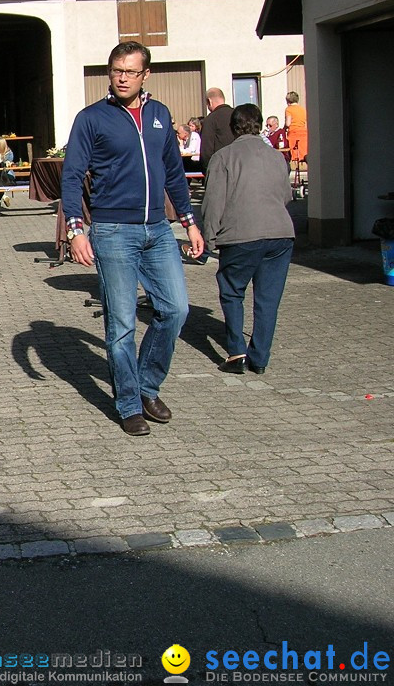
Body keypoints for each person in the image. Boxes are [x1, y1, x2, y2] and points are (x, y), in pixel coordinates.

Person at [61, 41, 204, 437]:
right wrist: (76, 229)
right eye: (116, 70)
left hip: (158, 230)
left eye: (131, 71)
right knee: (121, 324)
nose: (122, 77)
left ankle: (146, 386)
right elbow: (72, 176)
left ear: (146, 75)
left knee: (175, 310)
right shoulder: (92, 118)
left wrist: (189, 221)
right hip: (112, 232)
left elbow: (173, 172)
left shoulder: (159, 115)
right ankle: (127, 403)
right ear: (110, 73)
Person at [202, 103, 295, 376]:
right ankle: (260, 357)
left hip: (241, 235)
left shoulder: (223, 157)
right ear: (260, 124)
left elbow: (213, 203)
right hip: (280, 234)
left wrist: (208, 240)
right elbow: (287, 196)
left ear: (233, 127)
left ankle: (236, 352)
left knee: (232, 290)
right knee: (268, 299)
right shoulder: (278, 157)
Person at [199, 87, 234, 173]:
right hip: (239, 168)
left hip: (219, 169)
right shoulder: (237, 115)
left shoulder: (210, 119)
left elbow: (206, 151)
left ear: (209, 101)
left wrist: (208, 171)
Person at [284, 91, 308, 165]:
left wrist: (284, 128)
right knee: (304, 154)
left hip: (294, 133)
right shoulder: (302, 109)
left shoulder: (289, 109)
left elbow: (288, 123)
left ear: (288, 101)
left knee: (295, 155)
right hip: (304, 133)